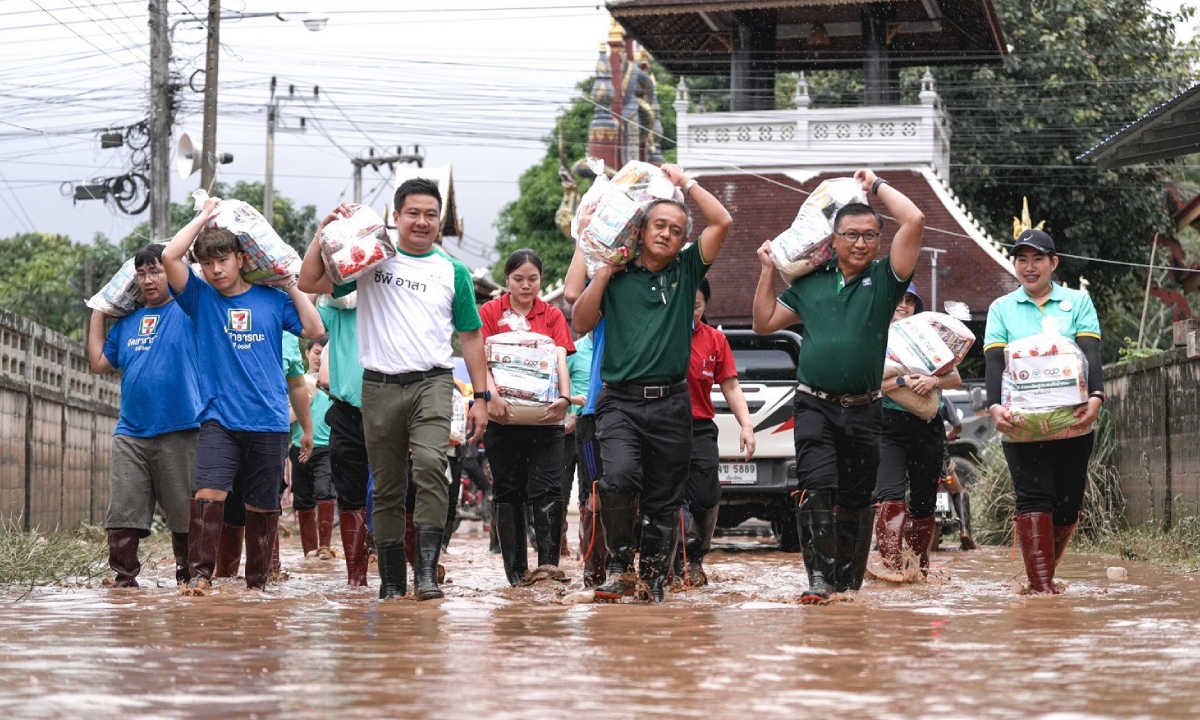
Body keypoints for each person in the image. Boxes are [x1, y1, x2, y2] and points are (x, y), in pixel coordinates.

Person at [298, 180, 488, 601]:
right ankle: (390, 581)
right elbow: (310, 282)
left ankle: (425, 573)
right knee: (385, 485)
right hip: (379, 385)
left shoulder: (452, 271)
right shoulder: (371, 261)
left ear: (440, 221)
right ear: (396, 217)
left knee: (429, 467)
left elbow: (471, 336)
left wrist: (481, 396)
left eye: (431, 215)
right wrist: (321, 235)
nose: (422, 222)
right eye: (413, 213)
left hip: (433, 383)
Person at [752, 168, 924, 604]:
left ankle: (848, 585)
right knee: (816, 485)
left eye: (869, 235)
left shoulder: (886, 281)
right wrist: (768, 271)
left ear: (879, 241)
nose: (861, 242)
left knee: (856, 496)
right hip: (814, 405)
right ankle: (820, 581)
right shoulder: (810, 283)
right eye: (851, 234)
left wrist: (875, 187)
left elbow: (915, 220)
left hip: (866, 409)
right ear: (835, 237)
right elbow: (764, 321)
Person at [573, 164, 733, 603]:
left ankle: (654, 578)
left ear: (683, 240)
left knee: (665, 497)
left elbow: (723, 222)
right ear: (641, 231)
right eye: (659, 225)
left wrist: (687, 184)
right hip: (619, 402)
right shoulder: (617, 275)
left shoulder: (685, 272)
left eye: (676, 229)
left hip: (672, 404)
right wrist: (602, 272)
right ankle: (621, 569)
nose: (667, 234)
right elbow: (580, 323)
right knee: (618, 480)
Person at [163, 196, 324, 594]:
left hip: (268, 419)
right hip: (218, 419)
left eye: (223, 260)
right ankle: (200, 580)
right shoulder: (199, 299)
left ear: (240, 258)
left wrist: (290, 283)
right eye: (207, 263)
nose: (215, 270)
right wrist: (203, 215)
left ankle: (256, 587)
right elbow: (169, 256)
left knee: (262, 505)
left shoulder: (271, 300)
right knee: (208, 493)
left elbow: (314, 327)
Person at [984, 229, 1104, 594]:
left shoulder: (1077, 303)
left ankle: (1043, 575)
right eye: (1022, 259)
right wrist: (994, 405)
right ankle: (1041, 589)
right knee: (1034, 499)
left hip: (1073, 421)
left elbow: (1090, 353)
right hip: (1022, 426)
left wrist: (1097, 396)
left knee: (1067, 506)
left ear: (1054, 263)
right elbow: (993, 362)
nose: (1029, 267)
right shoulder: (1001, 308)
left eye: (1038, 259)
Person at [86, 244, 201, 587]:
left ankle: (189, 579)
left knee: (184, 513)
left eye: (156, 271)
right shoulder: (128, 324)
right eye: (142, 273)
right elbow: (97, 364)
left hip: (181, 427)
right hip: (131, 432)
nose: (149, 279)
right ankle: (124, 583)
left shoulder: (190, 312)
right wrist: (99, 312)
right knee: (123, 511)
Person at [480, 248, 575, 586]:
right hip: (502, 420)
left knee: (549, 488)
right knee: (507, 489)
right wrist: (490, 395)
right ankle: (516, 576)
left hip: (545, 420)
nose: (526, 285)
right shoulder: (490, 312)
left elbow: (560, 359)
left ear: (541, 280)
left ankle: (548, 569)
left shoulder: (552, 315)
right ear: (506, 280)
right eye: (518, 279)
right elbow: (482, 362)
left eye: (532, 279)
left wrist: (564, 398)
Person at [874, 285, 962, 576]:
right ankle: (891, 568)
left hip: (928, 427)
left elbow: (956, 378)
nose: (903, 305)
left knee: (924, 503)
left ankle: (918, 569)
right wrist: (902, 382)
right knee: (890, 496)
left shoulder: (930, 339)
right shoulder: (875, 336)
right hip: (888, 425)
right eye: (898, 299)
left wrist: (933, 381)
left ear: (916, 307)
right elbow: (871, 386)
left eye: (910, 301)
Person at [678, 278, 756, 586]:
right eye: (685, 305)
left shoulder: (714, 340)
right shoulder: (661, 334)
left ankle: (696, 556)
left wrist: (746, 425)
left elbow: (731, 385)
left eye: (696, 306)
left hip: (700, 428)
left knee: (706, 496)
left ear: (705, 305)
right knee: (671, 499)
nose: (690, 312)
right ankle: (674, 562)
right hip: (662, 426)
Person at [308, 292, 371, 586]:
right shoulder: (340, 306)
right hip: (347, 414)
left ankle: (409, 573)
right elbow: (308, 320)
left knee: (401, 492)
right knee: (349, 496)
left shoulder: (396, 296)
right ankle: (356, 581)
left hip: (393, 406)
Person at [563, 245, 608, 589]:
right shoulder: (579, 344)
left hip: (644, 407)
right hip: (590, 415)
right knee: (592, 494)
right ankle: (594, 573)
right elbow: (573, 293)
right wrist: (584, 237)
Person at [292, 336, 337, 559]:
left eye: (324, 353)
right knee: (302, 499)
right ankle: (309, 552)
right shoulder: (297, 382)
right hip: (298, 445)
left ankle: (325, 547)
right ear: (308, 353)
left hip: (327, 447)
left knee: (324, 492)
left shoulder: (335, 383)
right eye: (317, 352)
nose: (319, 357)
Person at [938, 400, 976, 551]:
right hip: (940, 456)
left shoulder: (903, 398)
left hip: (914, 457)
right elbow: (958, 426)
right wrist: (951, 435)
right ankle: (965, 531)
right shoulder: (941, 399)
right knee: (958, 491)